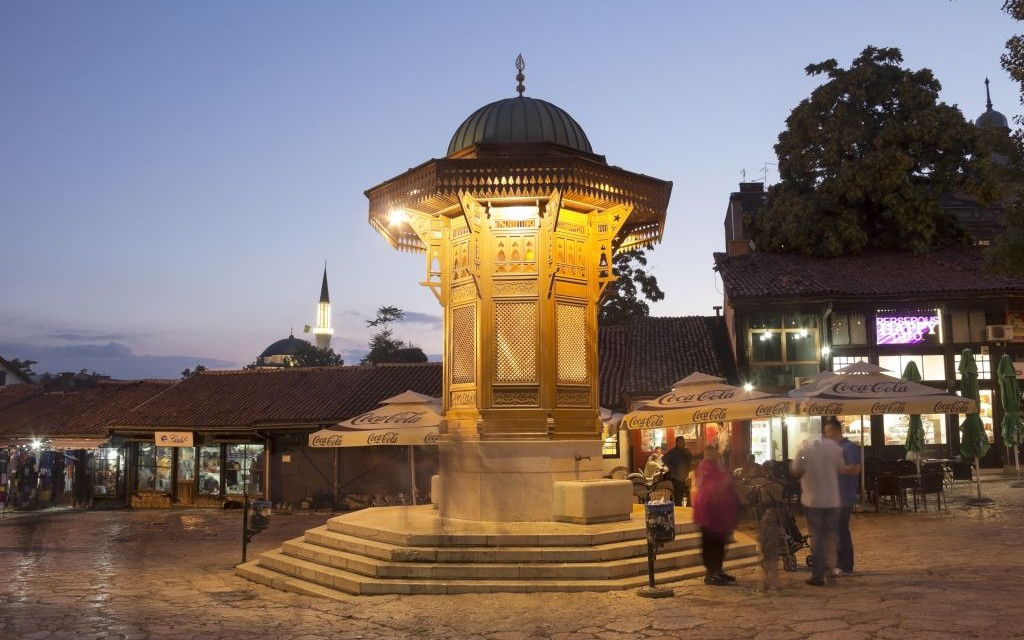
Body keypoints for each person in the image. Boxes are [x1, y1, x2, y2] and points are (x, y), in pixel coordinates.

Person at [790, 426, 858, 586]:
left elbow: (795, 470)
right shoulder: (834, 448)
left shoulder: (806, 447)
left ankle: (818, 574)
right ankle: (832, 568)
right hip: (832, 499)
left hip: (813, 500)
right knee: (831, 536)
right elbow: (840, 467)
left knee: (817, 537)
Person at [692, 444, 739, 585]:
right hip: (710, 513)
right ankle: (712, 573)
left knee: (720, 542)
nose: (712, 456)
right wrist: (724, 482)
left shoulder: (718, 466)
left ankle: (718, 570)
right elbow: (710, 487)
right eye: (709, 453)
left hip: (721, 514)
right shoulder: (705, 467)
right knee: (711, 543)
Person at [825, 418, 861, 576]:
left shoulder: (850, 447)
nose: (826, 436)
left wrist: (836, 468)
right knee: (836, 530)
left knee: (841, 530)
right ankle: (840, 563)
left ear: (835, 431)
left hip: (845, 495)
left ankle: (846, 565)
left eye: (828, 432)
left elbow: (855, 469)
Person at [662, 436, 693, 506]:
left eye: (683, 441)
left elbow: (692, 461)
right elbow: (664, 458)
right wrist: (672, 468)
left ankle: (688, 513)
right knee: (678, 498)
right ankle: (679, 513)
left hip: (687, 478)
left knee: (689, 497)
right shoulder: (673, 452)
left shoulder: (687, 451)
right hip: (677, 478)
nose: (683, 443)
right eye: (681, 441)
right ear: (677, 443)